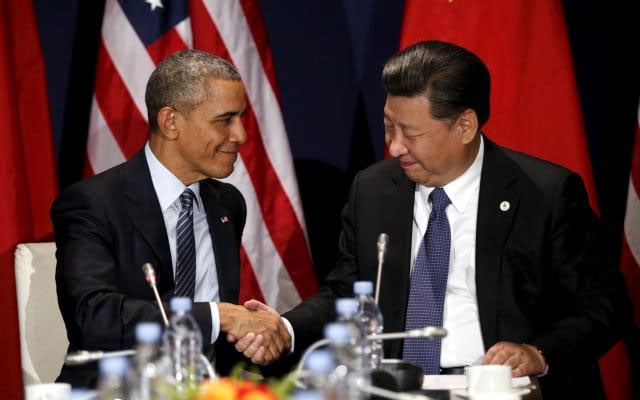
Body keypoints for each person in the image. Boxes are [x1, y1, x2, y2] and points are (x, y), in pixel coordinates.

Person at [237, 41, 631, 398]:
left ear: (465, 126)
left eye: (410, 133)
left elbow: (604, 306)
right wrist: (285, 328)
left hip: (500, 391)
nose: (394, 147)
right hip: (396, 388)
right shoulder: (374, 189)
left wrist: (537, 353)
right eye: (389, 127)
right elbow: (346, 291)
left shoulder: (544, 193)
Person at [52, 50, 290, 387]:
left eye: (242, 118)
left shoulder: (228, 205)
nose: (241, 135)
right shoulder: (94, 203)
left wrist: (256, 338)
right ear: (171, 122)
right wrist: (219, 316)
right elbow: (93, 316)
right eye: (225, 120)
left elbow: (215, 342)